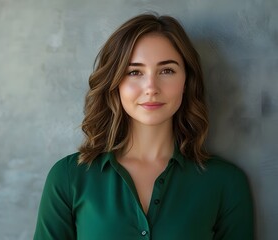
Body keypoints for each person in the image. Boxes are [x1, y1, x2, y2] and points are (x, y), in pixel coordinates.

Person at [33, 13, 254, 240]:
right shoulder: (69, 177)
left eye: (166, 70)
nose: (151, 87)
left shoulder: (225, 182)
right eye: (134, 72)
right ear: (115, 82)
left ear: (186, 81)